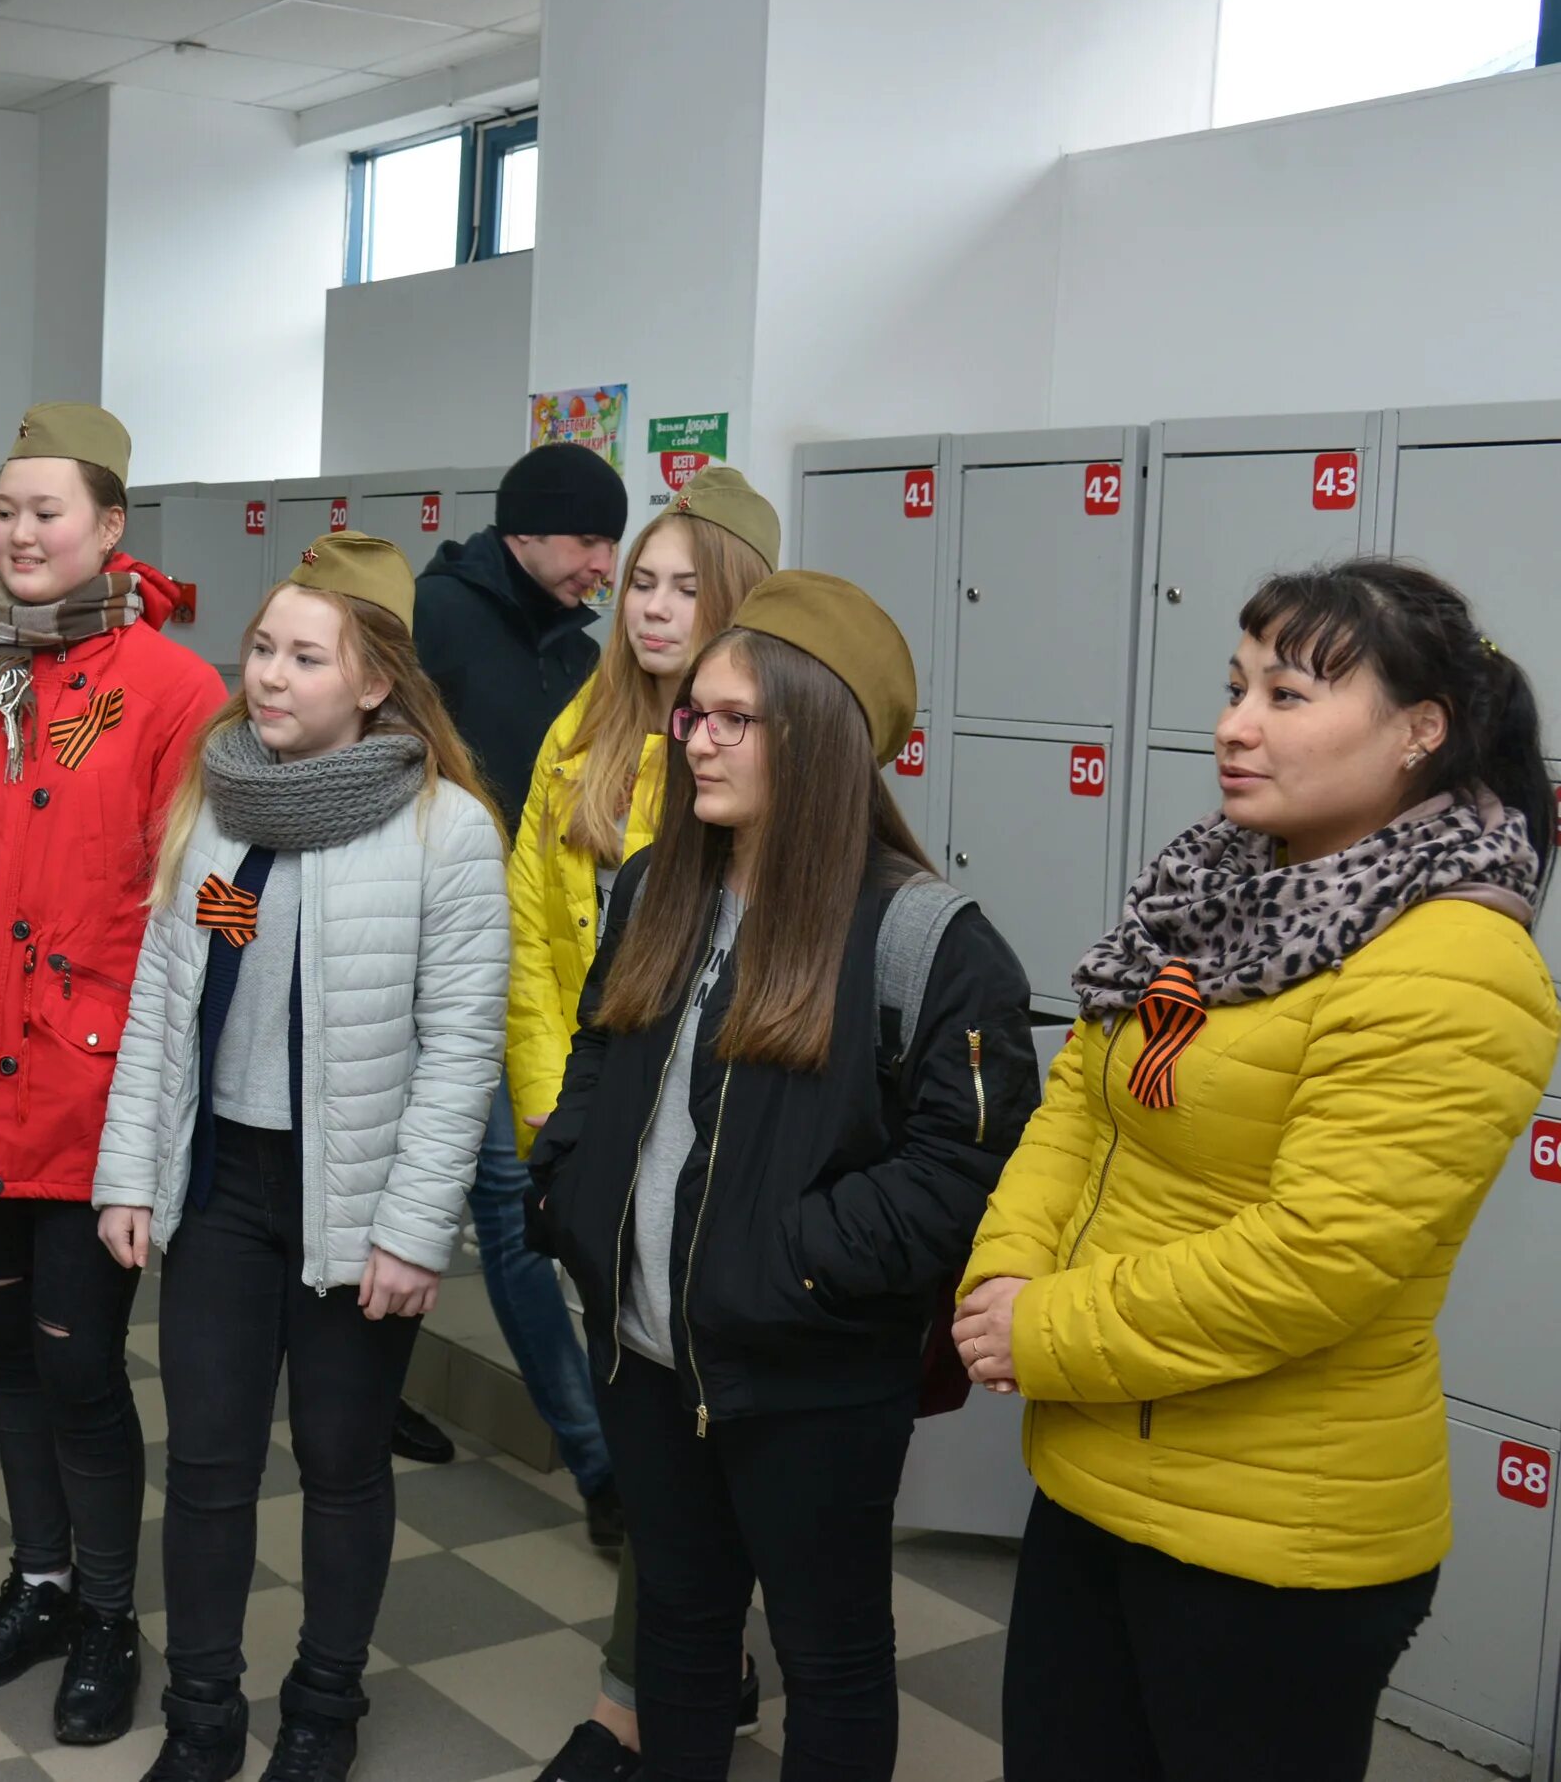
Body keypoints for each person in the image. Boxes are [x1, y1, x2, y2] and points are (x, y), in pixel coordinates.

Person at [956, 558, 1560, 1782]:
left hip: (1277, 1536)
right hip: (1096, 1472)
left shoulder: (1456, 960)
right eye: (1235, 687)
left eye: (1287, 695)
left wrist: (1045, 1326)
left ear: (1421, 731)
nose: (1235, 724)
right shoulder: (1214, 890)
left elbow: (1315, 1259)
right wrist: (1004, 1270)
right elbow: (1082, 1102)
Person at [537, 573, 1038, 1782]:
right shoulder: (658, 883)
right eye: (692, 714)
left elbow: (963, 1166)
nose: (695, 740)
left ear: (816, 737)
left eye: (732, 719)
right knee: (679, 1626)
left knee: (832, 1654)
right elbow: (599, 1049)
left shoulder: (926, 939)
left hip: (808, 1371)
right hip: (646, 1352)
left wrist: (789, 1263)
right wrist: (571, 1191)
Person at [91, 535, 507, 1782]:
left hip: (358, 1204)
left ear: (375, 681)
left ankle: (325, 1704)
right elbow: (167, 1000)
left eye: (305, 657)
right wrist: (131, 1173)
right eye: (262, 648)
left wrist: (413, 1229)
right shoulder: (220, 808)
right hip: (225, 1186)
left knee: (341, 1462)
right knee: (208, 1461)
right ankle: (202, 1712)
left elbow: (461, 1046)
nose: (268, 675)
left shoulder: (445, 829)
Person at [0, 403, 223, 1747]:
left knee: (80, 1364)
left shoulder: (177, 691)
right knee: (8, 1351)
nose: (19, 532)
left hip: (92, 1088)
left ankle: (110, 1611)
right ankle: (43, 1578)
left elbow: (213, 902)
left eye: (47, 511)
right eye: (5, 510)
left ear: (110, 525)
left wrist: (181, 1075)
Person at [505, 469, 778, 1782]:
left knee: (683, 1425)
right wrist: (548, 1114)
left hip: (699, 1138)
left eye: (684, 587)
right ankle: (703, 1656)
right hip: (591, 1122)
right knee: (646, 1422)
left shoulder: (758, 753)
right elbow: (530, 937)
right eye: (640, 585)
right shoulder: (583, 726)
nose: (653, 608)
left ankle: (632, 1702)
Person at [405, 442, 631, 1476]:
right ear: (527, 530)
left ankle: (596, 1460)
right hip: (423, 951)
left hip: (528, 965)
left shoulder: (583, 657)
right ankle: (593, 1459)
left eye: (612, 544)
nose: (605, 566)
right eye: (589, 539)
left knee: (504, 1195)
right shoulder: (434, 619)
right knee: (437, 1182)